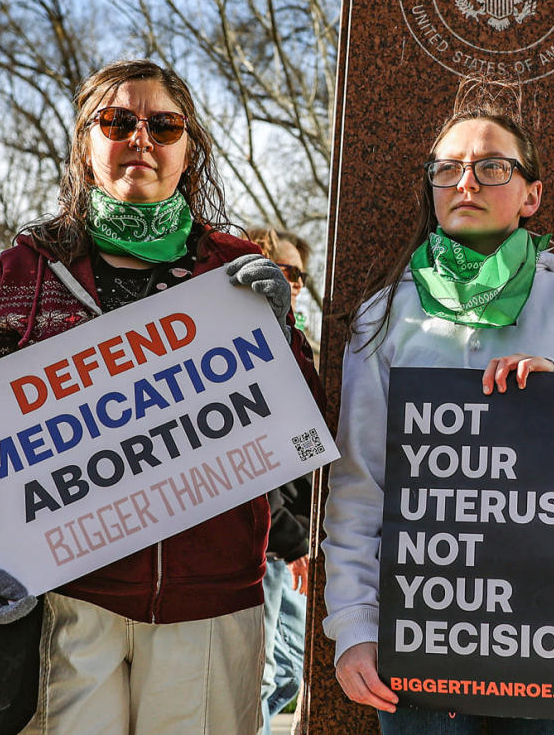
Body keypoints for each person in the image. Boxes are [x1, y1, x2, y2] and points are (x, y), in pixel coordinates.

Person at [0, 59, 323, 734]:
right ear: (85, 143)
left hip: (215, 604)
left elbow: (305, 434)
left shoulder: (232, 267)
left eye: (164, 125)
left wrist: (285, 334)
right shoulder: (22, 271)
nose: (141, 137)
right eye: (118, 121)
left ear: (189, 149)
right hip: (68, 601)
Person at [321, 78, 554, 735]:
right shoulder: (384, 315)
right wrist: (353, 628)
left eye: (491, 166)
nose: (465, 181)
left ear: (531, 195)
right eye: (447, 168)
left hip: (548, 631)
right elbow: (359, 485)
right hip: (422, 629)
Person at [247, 226, 316, 733]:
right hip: (268, 546)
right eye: (285, 272)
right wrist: (292, 539)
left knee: (287, 673)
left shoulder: (298, 347)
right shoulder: (247, 347)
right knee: (264, 679)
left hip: (294, 543)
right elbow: (249, 463)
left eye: (300, 276)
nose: (294, 284)